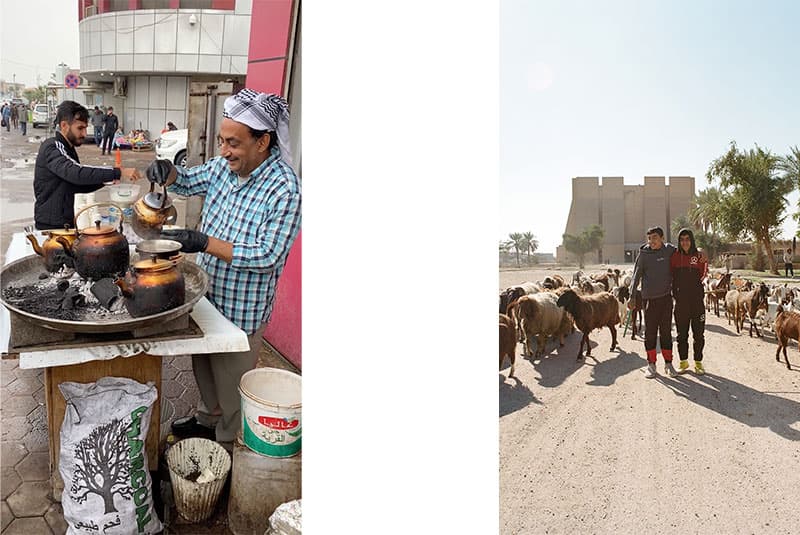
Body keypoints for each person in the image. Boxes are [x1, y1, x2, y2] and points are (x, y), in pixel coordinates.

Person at [150, 89, 301, 444]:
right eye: (221, 141)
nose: (224, 151)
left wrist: (203, 243)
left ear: (263, 141)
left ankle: (228, 441)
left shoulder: (285, 189)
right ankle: (207, 419)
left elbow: (267, 256)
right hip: (208, 295)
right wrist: (167, 171)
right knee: (203, 366)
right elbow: (187, 181)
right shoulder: (223, 168)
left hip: (242, 310)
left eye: (233, 143)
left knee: (232, 385)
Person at [33, 101, 141, 230]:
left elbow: (77, 185)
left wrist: (110, 179)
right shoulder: (52, 146)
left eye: (85, 128)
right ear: (64, 125)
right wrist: (118, 172)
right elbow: (75, 173)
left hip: (66, 222)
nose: (84, 134)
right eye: (80, 128)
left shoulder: (69, 148)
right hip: (52, 226)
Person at [670, 228, 707, 375]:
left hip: (697, 303)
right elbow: (671, 276)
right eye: (682, 239)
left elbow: (703, 275)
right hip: (681, 304)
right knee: (681, 335)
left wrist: (701, 252)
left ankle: (698, 363)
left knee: (699, 335)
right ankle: (683, 362)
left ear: (692, 241)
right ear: (679, 241)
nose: (685, 242)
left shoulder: (699, 256)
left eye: (687, 239)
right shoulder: (674, 256)